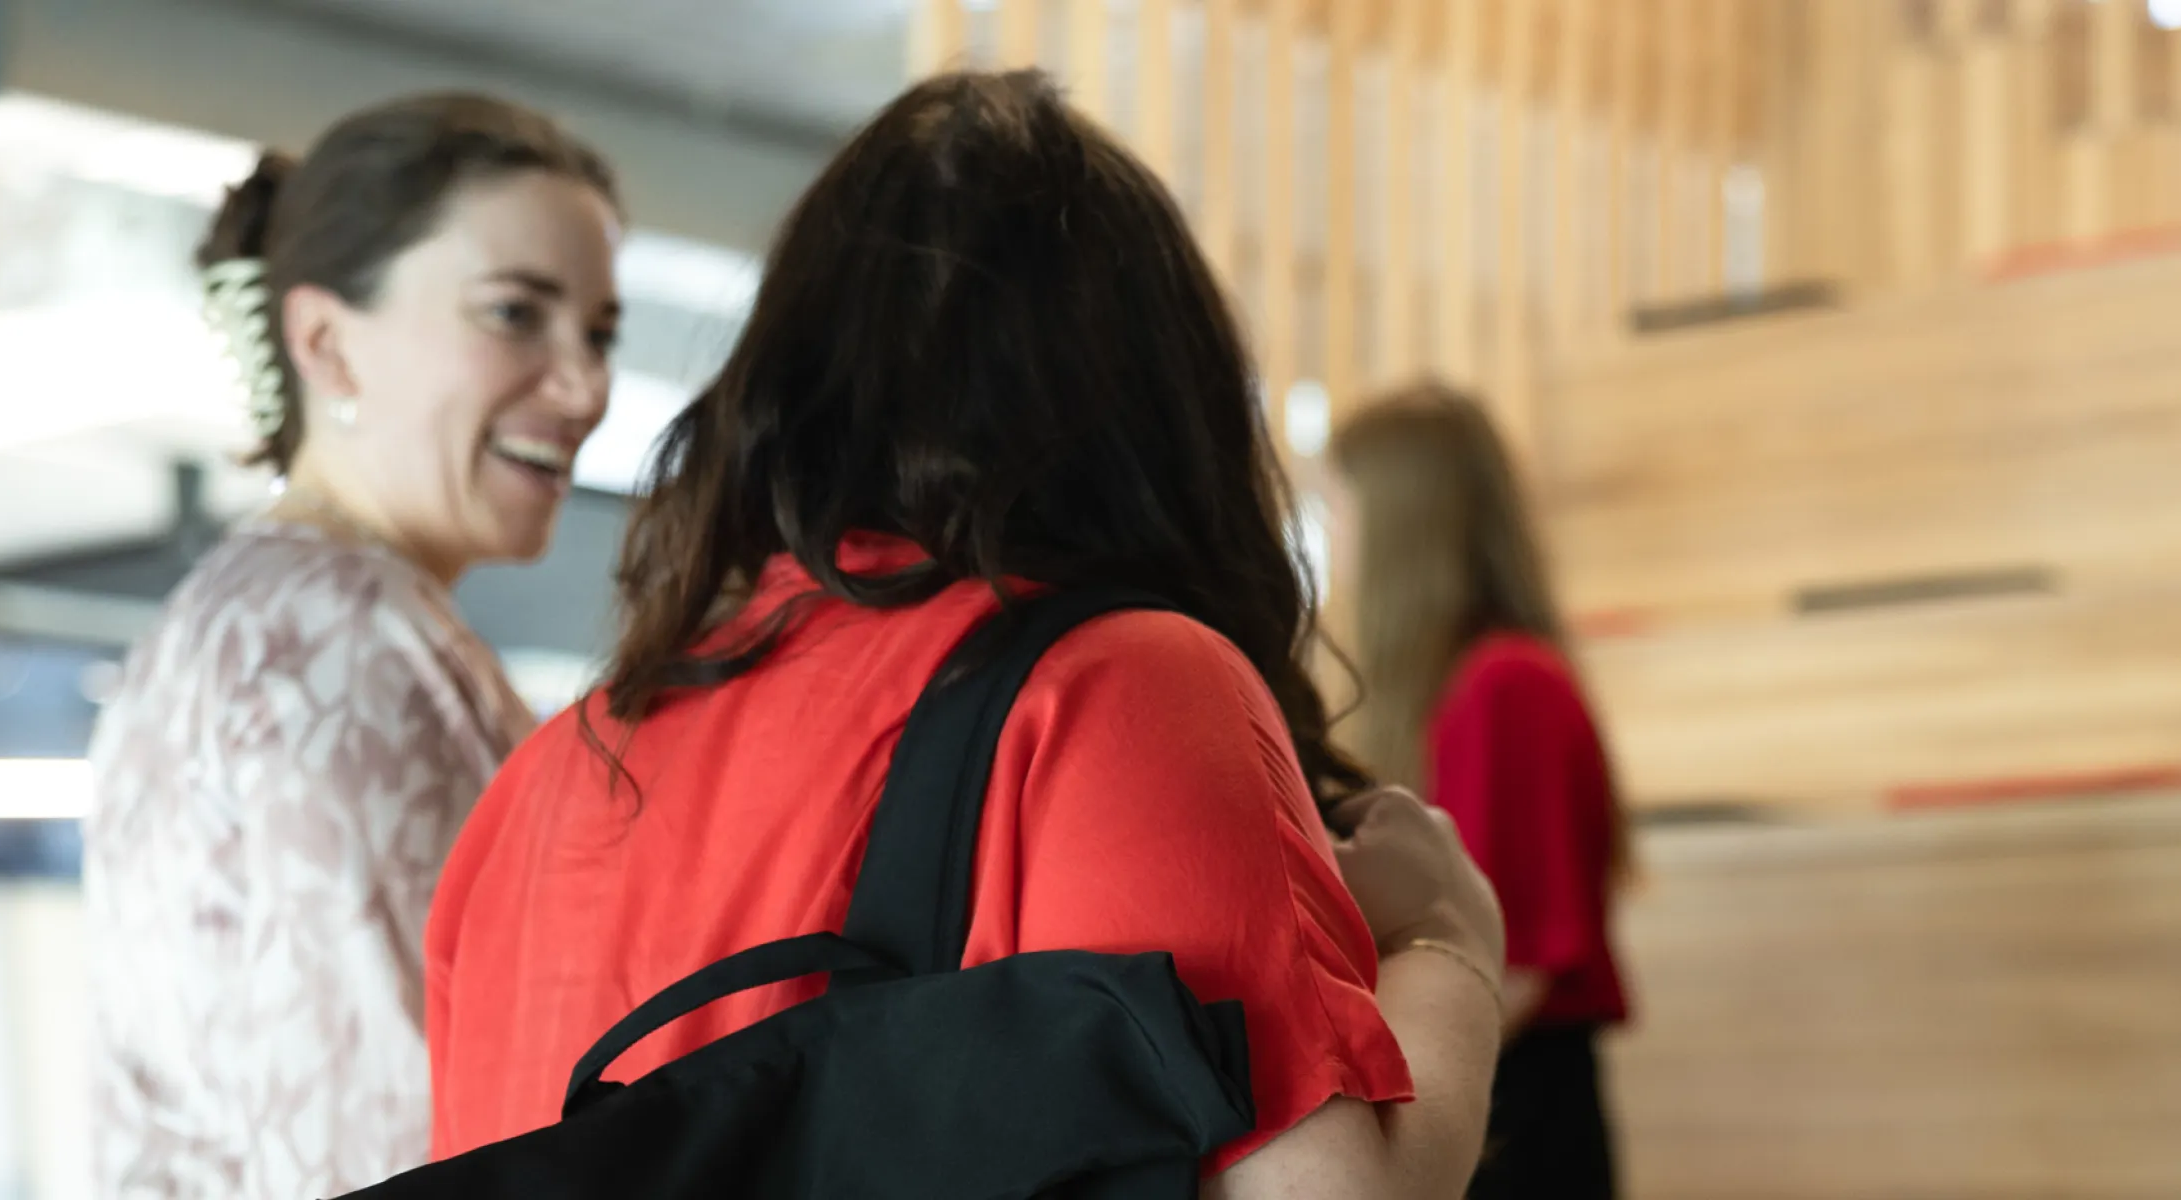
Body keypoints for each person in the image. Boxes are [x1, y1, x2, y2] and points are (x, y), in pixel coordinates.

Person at [421, 70, 1511, 1198]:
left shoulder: (533, 791)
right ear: (1165, 409)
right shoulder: (1121, 690)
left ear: (779, 389)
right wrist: (1449, 944)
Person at [82, 93, 622, 1199]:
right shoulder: (341, 646)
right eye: (515, 314)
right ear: (327, 344)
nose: (586, 387)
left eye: (600, 333)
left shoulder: (237, 623)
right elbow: (401, 1140)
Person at [1323, 385, 1636, 1200]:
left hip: (1513, 1108)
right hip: (1488, 1083)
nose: (1330, 528)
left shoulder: (1505, 686)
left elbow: (1515, 966)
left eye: (1340, 501)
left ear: (1403, 517)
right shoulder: (1470, 685)